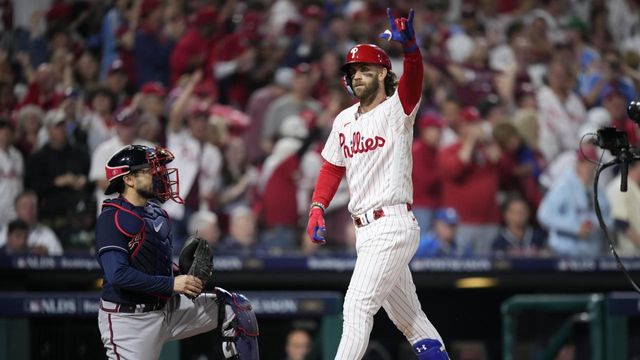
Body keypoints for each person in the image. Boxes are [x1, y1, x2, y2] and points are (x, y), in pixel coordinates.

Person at [306, 9, 448, 360]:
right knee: (409, 318)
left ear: (384, 73)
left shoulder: (398, 108)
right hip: (366, 232)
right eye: (353, 72)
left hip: (392, 223)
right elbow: (330, 168)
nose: (357, 77)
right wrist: (317, 208)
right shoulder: (343, 119)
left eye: (365, 70)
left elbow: (414, 79)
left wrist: (411, 50)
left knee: (356, 307)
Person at [95, 144, 258, 359]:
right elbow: (118, 275)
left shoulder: (157, 213)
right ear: (128, 179)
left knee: (236, 308)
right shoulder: (112, 217)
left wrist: (180, 275)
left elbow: (151, 263)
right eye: (148, 170)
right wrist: (173, 284)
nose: (157, 174)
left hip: (167, 308)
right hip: (130, 320)